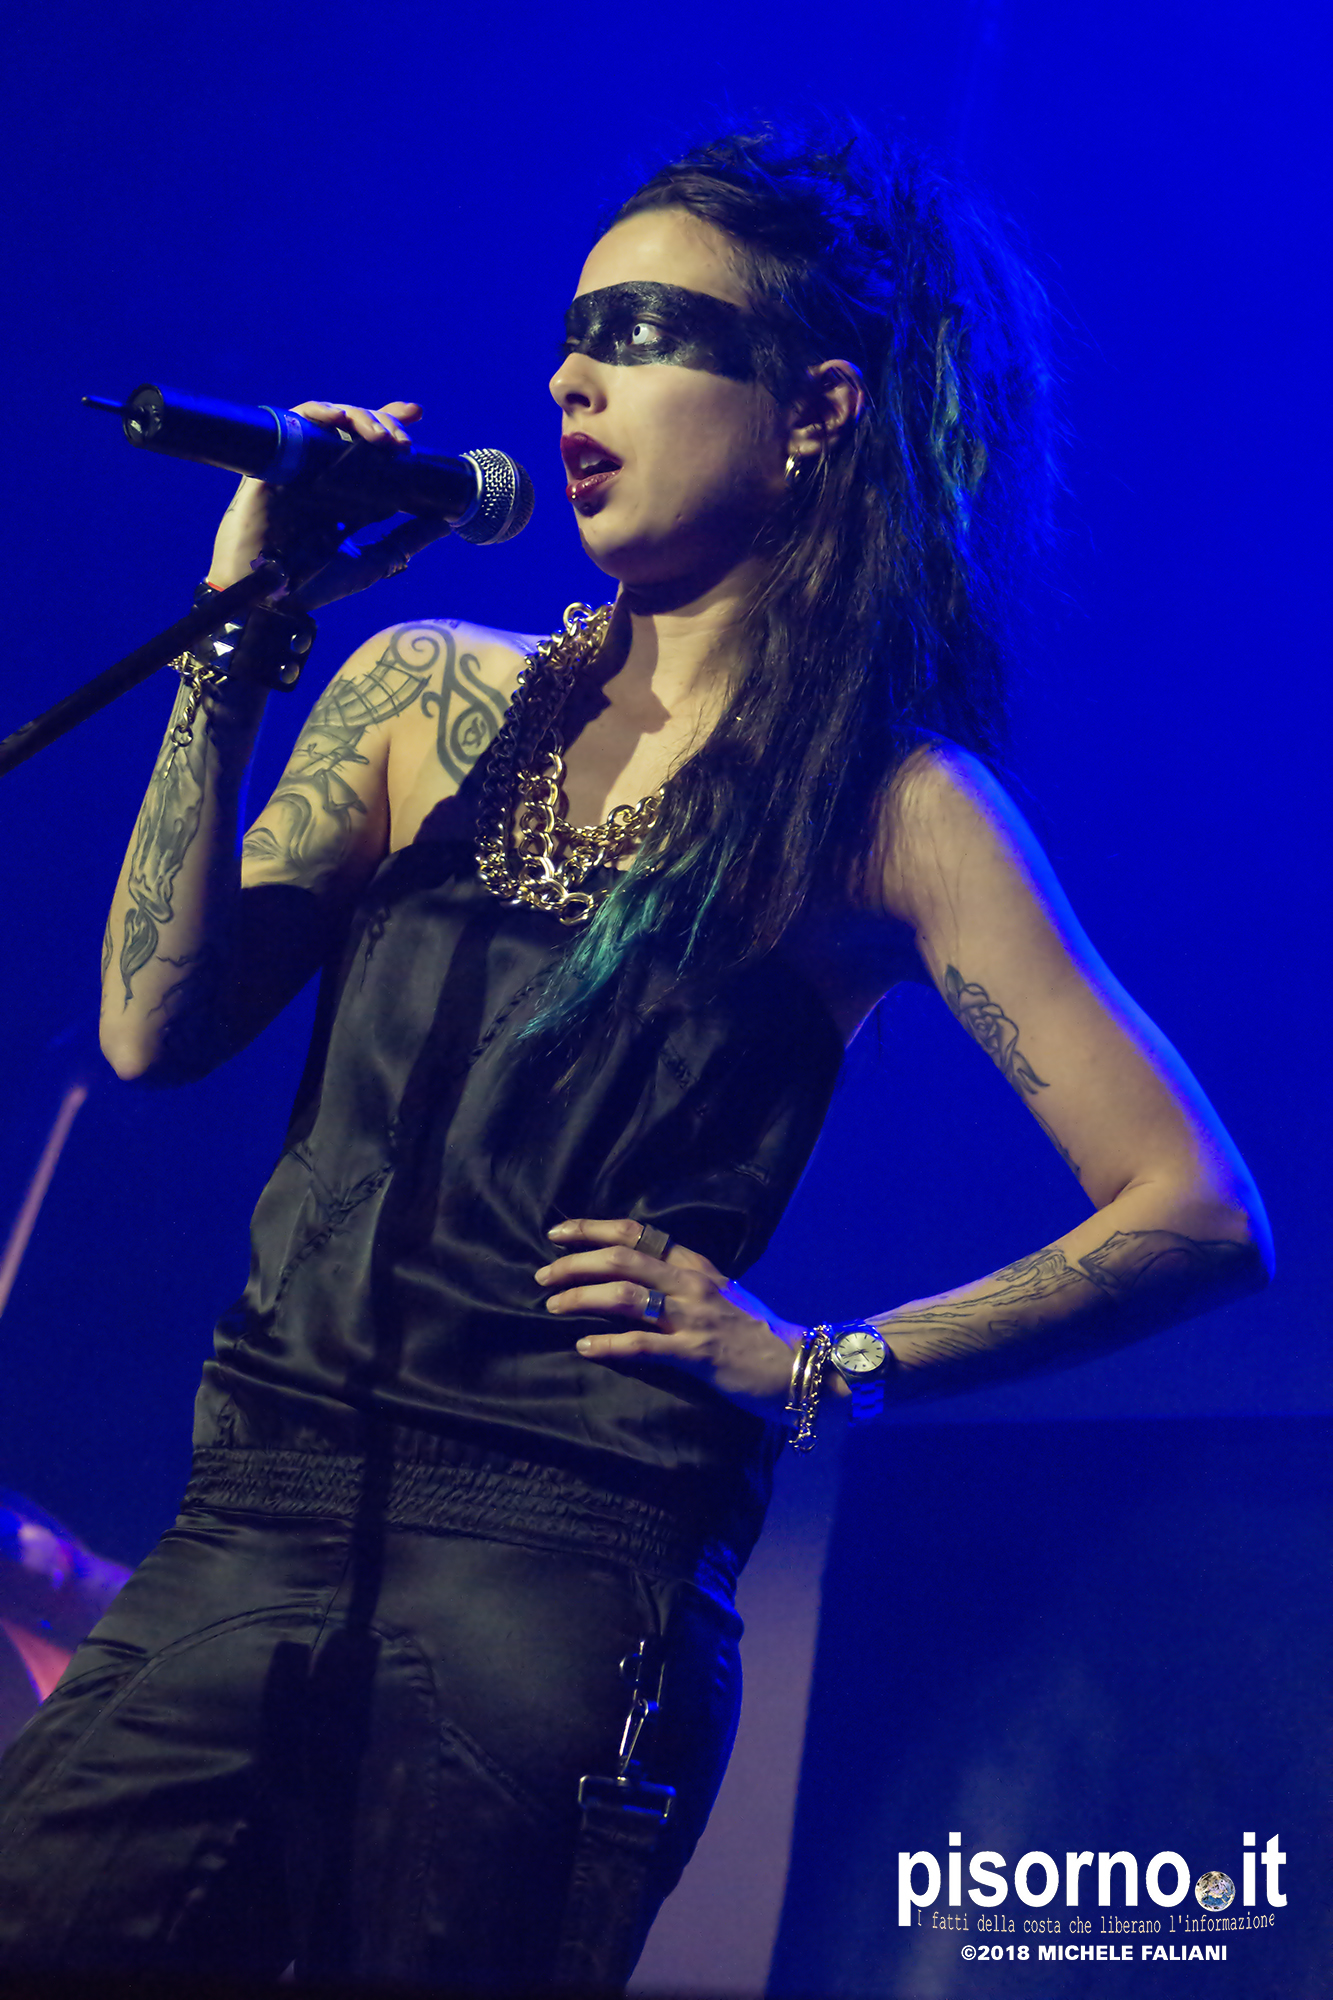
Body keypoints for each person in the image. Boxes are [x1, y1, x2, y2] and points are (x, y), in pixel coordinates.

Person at [0, 123, 1270, 1985]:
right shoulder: (417, 692)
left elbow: (1195, 1209)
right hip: (246, 1517)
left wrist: (822, 1363)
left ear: (814, 412)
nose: (570, 379)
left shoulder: (889, 807)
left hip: (559, 1579)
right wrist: (239, 643)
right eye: (571, 332)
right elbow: (150, 1027)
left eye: (645, 331)